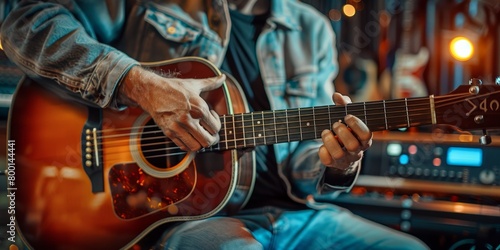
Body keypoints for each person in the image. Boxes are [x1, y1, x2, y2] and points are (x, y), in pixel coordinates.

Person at [1, 0, 429, 249]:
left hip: (294, 215)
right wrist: (137, 83)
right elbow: (27, 22)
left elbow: (303, 159)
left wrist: (339, 161)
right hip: (185, 217)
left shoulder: (311, 30)